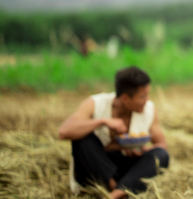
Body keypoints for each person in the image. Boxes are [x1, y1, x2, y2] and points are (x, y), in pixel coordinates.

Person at [58, 66, 169, 198]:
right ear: (125, 99)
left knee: (161, 155)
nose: (147, 100)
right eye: (142, 96)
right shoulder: (95, 103)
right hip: (96, 171)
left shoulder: (149, 110)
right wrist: (102, 122)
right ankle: (118, 189)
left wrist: (143, 151)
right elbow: (64, 131)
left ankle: (114, 194)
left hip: (126, 171)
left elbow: (162, 144)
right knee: (82, 138)